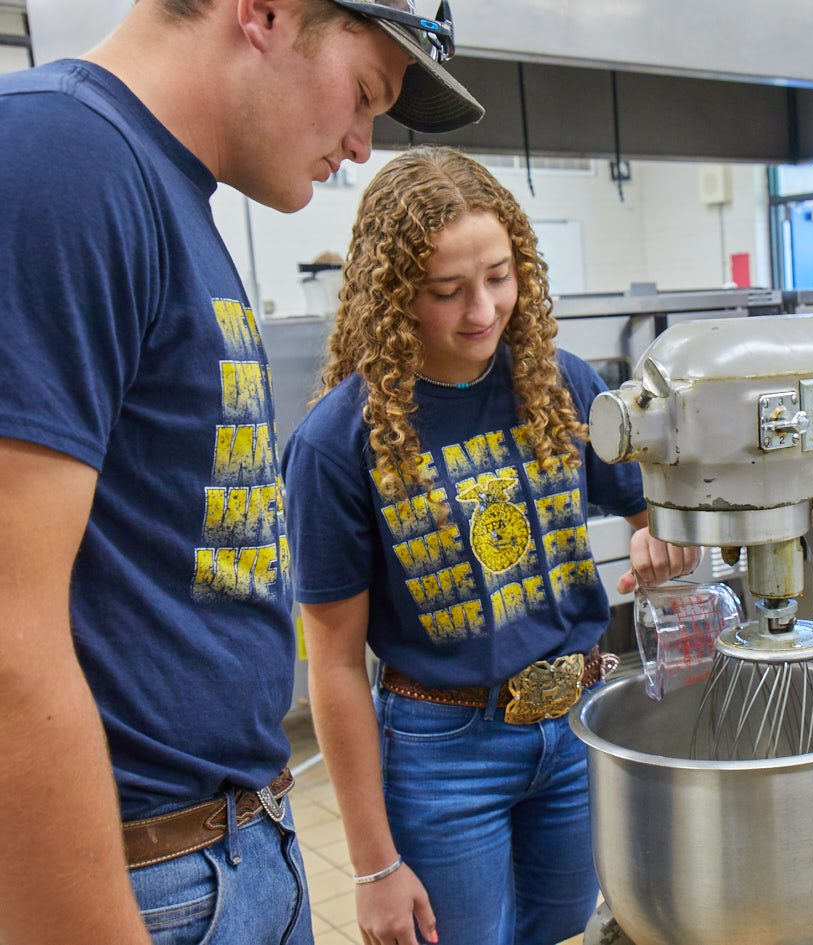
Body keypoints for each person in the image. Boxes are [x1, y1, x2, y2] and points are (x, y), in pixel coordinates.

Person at [0, 2, 483, 943]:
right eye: (364, 93)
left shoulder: (165, 189)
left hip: (237, 848)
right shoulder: (58, 158)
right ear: (264, 12)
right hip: (144, 877)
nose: (358, 143)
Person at [281, 146, 699, 945]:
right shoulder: (339, 442)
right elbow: (332, 665)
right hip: (444, 753)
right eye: (447, 290)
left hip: (575, 725)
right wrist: (372, 865)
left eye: (500, 277)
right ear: (394, 292)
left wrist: (659, 539)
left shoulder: (557, 381)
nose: (482, 309)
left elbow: (652, 508)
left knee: (561, 927)